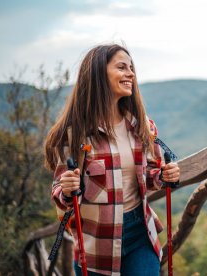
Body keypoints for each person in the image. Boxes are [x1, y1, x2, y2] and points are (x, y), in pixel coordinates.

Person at [44, 44, 180, 275]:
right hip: (96, 244)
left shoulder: (142, 126)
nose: (131, 74)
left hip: (140, 234)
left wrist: (165, 176)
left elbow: (150, 176)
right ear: (98, 73)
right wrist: (67, 190)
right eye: (121, 67)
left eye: (131, 68)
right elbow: (61, 192)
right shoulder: (73, 134)